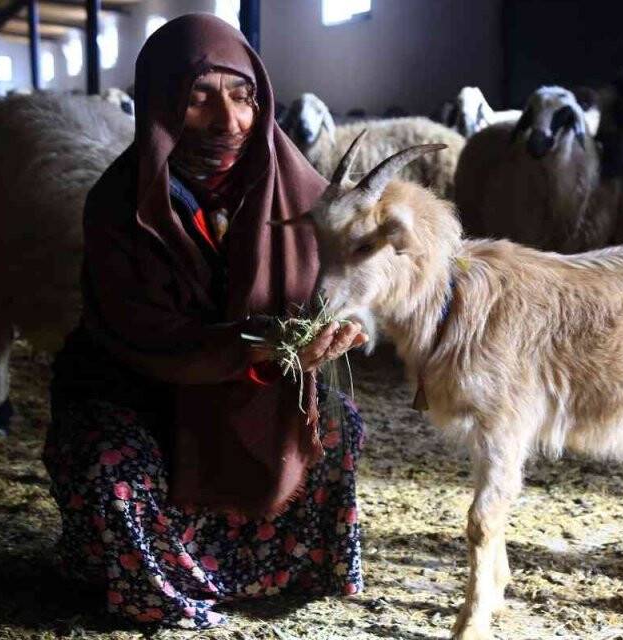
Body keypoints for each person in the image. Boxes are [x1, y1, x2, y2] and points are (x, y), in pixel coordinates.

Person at [42, 13, 368, 628]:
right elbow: (143, 332)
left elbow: (344, 283)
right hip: (141, 393)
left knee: (337, 422)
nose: (230, 122)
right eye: (199, 99)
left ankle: (277, 569)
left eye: (244, 97)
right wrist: (250, 346)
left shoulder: (296, 191)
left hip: (253, 392)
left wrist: (341, 326)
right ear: (162, 104)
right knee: (106, 463)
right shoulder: (119, 207)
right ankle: (154, 580)